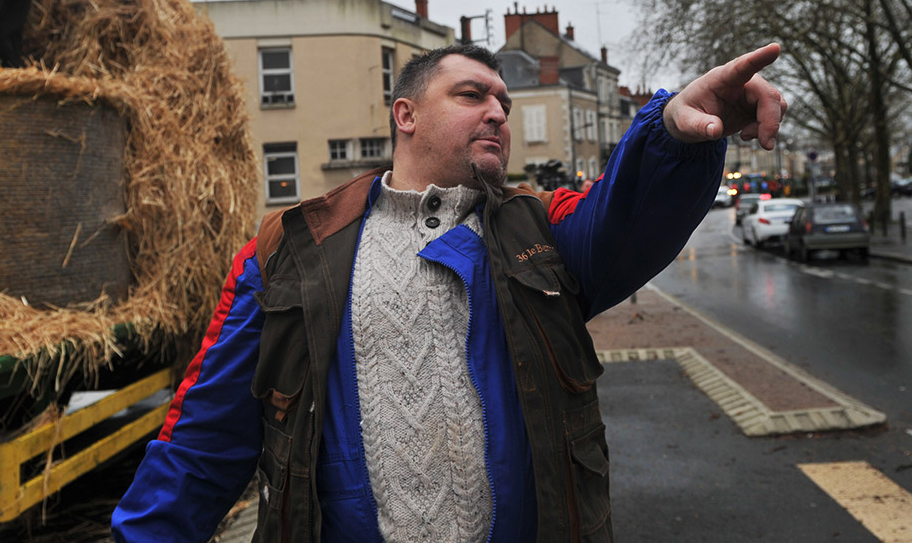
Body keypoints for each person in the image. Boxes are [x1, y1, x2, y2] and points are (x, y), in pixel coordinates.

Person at [112, 42, 787, 542]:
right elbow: (199, 445)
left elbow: (627, 214)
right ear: (405, 114)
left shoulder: (540, 232)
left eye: (505, 102)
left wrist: (674, 130)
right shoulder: (289, 252)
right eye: (472, 95)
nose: (498, 112)